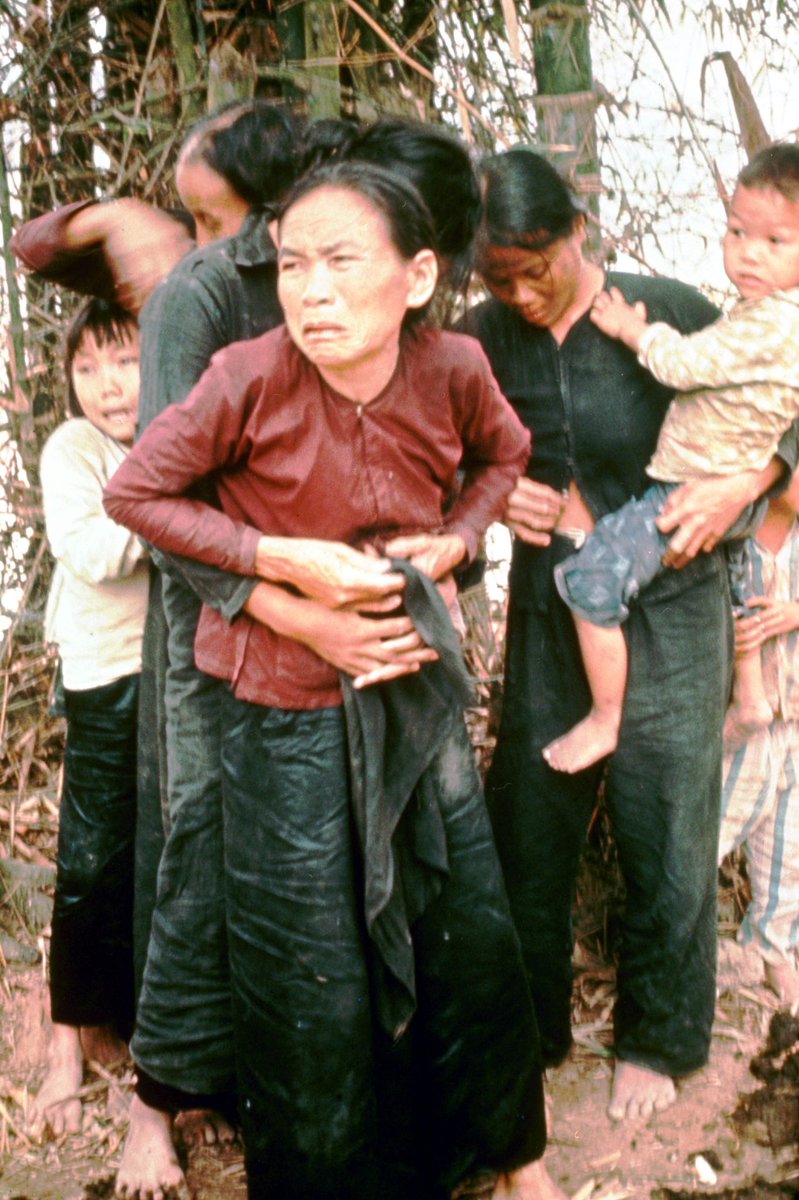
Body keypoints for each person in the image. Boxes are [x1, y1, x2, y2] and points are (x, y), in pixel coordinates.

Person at [105, 160, 565, 1200]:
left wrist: (457, 538)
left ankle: (511, 1162)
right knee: (300, 956)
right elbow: (136, 494)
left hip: (409, 685)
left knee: (464, 927)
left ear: (417, 277)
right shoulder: (247, 375)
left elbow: (504, 457)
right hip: (280, 704)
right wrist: (279, 566)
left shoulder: (452, 366)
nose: (310, 293)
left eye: (341, 263)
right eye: (291, 265)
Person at [463, 145, 798, 1122]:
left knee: (667, 819)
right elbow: (440, 449)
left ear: (580, 231)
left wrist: (750, 483)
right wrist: (495, 496)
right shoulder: (479, 336)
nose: (523, 294)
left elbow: (781, 414)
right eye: (500, 278)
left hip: (678, 598)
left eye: (538, 268)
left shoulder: (669, 311)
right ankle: (531, 1033)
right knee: (530, 817)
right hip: (554, 601)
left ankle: (657, 1039)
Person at [548, 142, 799, 774]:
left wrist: (631, 329)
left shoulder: (772, 324)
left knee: (592, 578)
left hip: (693, 490)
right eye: (738, 232)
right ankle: (750, 694)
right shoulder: (773, 315)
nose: (749, 253)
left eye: (776, 241)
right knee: (737, 586)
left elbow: (683, 366)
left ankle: (606, 716)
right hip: (738, 491)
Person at [31, 299, 148, 1137]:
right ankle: (67, 1042)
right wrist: (180, 509)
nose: (108, 386)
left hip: (178, 674)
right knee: (91, 858)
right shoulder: (74, 448)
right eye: (87, 368)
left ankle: (140, 1033)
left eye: (126, 361)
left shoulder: (171, 430)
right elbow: (92, 550)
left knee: (161, 853)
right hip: (105, 672)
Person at [720, 466, 799, 1008]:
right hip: (743, 722)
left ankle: (771, 947)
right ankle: (682, 948)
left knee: (789, 846)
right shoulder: (734, 537)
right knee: (710, 830)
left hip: (795, 718)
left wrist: (794, 613)